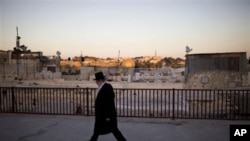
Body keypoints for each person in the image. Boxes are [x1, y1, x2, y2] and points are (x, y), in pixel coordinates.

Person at [89, 71, 127, 141]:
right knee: (98, 131)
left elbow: (108, 103)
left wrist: (108, 116)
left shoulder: (106, 88)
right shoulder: (104, 87)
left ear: (100, 80)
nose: (96, 82)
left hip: (106, 116)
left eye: (96, 81)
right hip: (102, 115)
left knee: (114, 130)